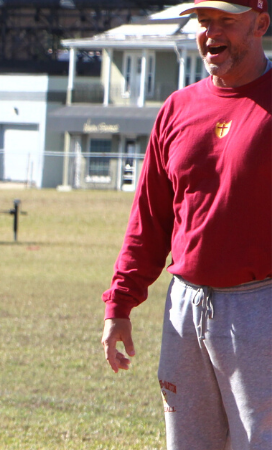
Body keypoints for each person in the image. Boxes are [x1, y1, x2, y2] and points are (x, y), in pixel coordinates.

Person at [100, 0, 272, 448]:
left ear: (260, 23)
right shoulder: (178, 108)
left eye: (226, 21)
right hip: (185, 307)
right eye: (204, 21)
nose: (211, 32)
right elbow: (149, 218)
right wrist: (119, 303)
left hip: (260, 306)